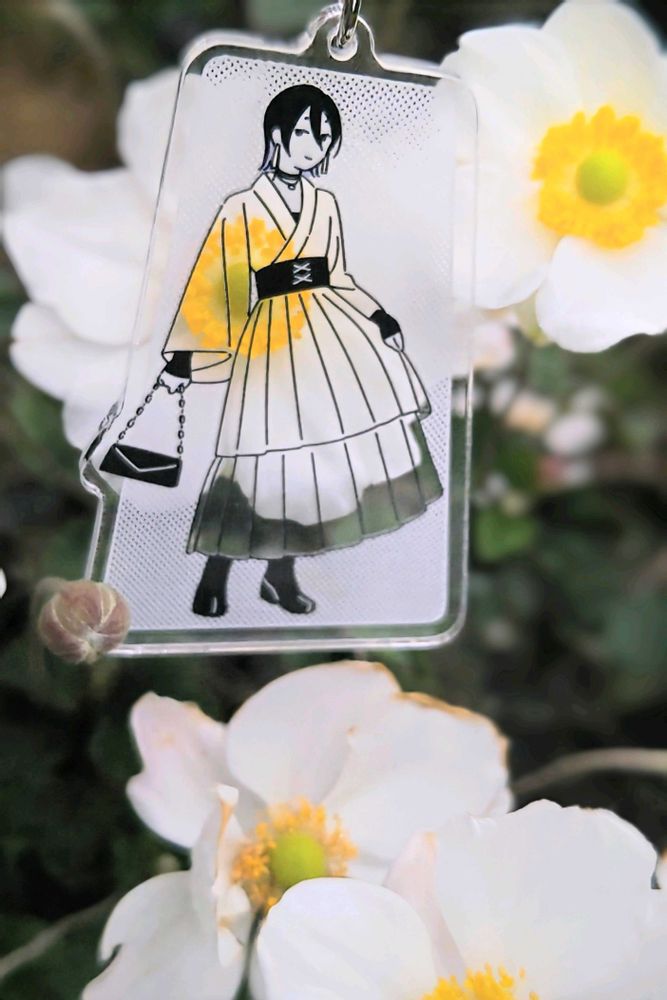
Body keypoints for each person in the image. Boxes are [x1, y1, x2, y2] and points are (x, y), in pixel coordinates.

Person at [158, 84, 442, 617]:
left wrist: (378, 315)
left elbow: (338, 275)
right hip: (269, 340)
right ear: (277, 133)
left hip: (327, 336)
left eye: (325, 137)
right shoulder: (241, 206)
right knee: (257, 460)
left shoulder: (325, 203)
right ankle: (215, 573)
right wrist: (190, 354)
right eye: (306, 133)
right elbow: (216, 283)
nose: (314, 146)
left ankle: (280, 576)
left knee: (312, 463)